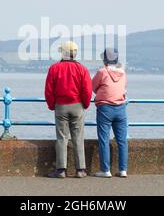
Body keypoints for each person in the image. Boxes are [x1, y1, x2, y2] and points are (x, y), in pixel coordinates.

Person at [44, 41, 92, 178]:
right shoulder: (82, 69)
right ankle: (80, 169)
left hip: (60, 106)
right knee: (78, 137)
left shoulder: (54, 68)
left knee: (61, 138)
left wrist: (52, 105)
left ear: (63, 52)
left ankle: (61, 170)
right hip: (77, 105)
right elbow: (87, 90)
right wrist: (85, 104)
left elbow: (48, 90)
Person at [92, 48, 128, 178]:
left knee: (104, 139)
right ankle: (123, 169)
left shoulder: (102, 72)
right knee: (122, 140)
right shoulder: (123, 73)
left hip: (105, 108)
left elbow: (93, 86)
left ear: (105, 59)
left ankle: (105, 170)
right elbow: (124, 89)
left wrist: (102, 93)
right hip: (121, 108)